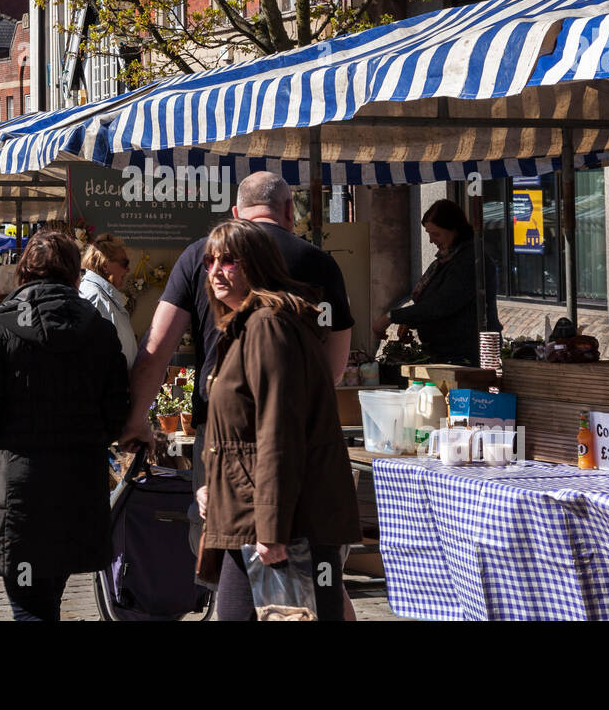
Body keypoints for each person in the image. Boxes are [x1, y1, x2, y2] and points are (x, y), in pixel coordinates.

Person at [121, 172, 354, 547]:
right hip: (298, 439)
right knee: (301, 564)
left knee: (234, 554)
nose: (218, 271)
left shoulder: (199, 257)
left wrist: (135, 421)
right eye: (216, 264)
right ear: (289, 211)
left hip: (220, 432)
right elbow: (335, 368)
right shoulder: (318, 263)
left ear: (235, 213)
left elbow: (156, 349)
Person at [194, 219, 361, 621]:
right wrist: (212, 487)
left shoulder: (267, 326)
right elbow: (241, 434)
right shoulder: (246, 325)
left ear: (256, 264)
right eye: (209, 261)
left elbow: (277, 433)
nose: (216, 271)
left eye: (229, 261)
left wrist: (272, 528)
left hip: (281, 524)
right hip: (246, 516)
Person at [0, 230, 129, 621]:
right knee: (46, 595)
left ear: (24, 271)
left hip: (20, 485)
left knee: (29, 602)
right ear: (74, 273)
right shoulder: (98, 328)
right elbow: (115, 409)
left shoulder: (2, 324)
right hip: (78, 483)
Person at [374, 199, 501, 365]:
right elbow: (431, 302)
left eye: (436, 234)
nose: (431, 240)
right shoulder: (448, 258)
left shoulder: (470, 260)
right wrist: (412, 320)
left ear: (453, 230)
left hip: (468, 356)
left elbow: (442, 304)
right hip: (447, 353)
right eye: (428, 234)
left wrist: (392, 317)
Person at [77, 233, 137, 367]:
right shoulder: (95, 297)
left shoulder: (102, 296)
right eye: (124, 263)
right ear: (105, 265)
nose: (128, 269)